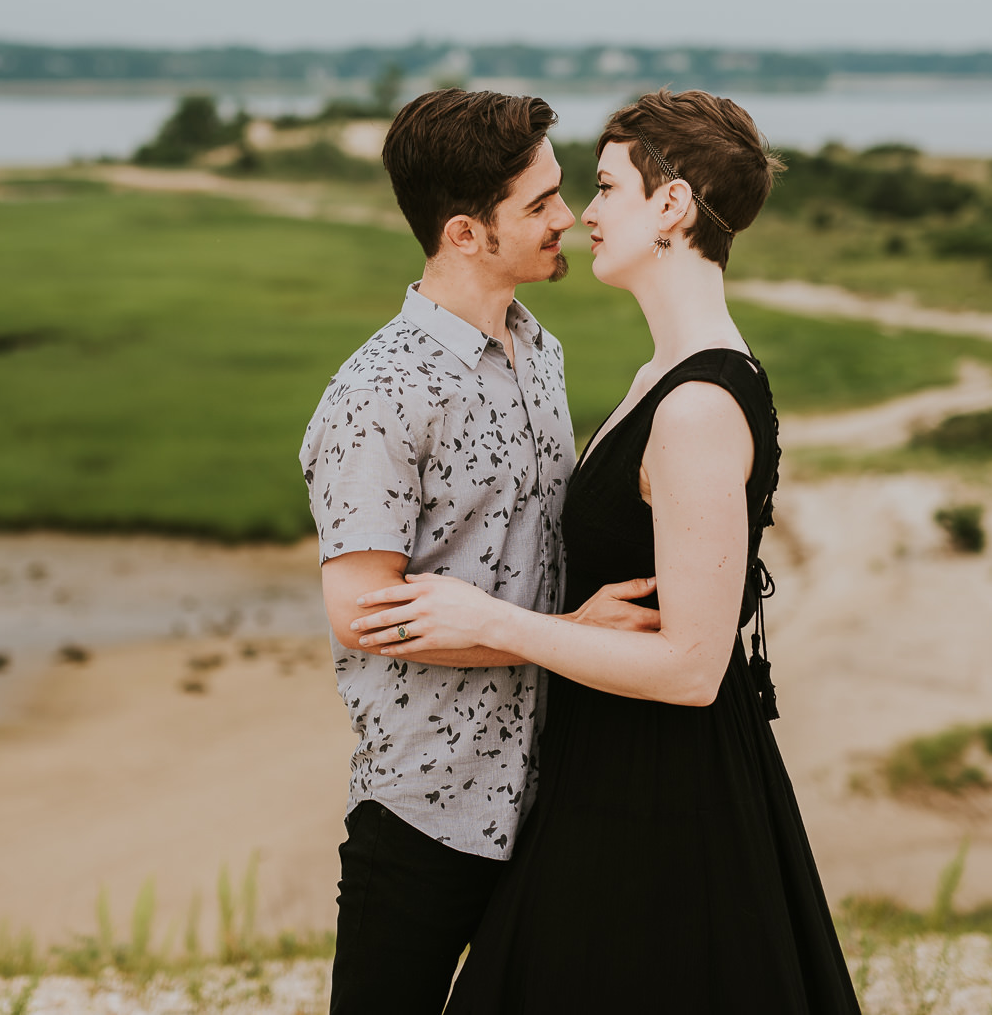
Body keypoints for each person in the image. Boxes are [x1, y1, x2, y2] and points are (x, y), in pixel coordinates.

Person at [348, 90, 862, 1013]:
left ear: (671, 208)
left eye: (603, 187)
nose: (582, 214)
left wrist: (498, 620)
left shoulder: (698, 404)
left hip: (665, 784)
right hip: (599, 766)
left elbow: (694, 668)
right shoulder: (654, 374)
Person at [299, 88, 662, 1015]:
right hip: (426, 802)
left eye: (560, 192)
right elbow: (361, 613)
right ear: (465, 233)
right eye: (537, 204)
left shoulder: (541, 350)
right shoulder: (375, 395)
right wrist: (559, 633)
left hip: (555, 788)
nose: (568, 218)